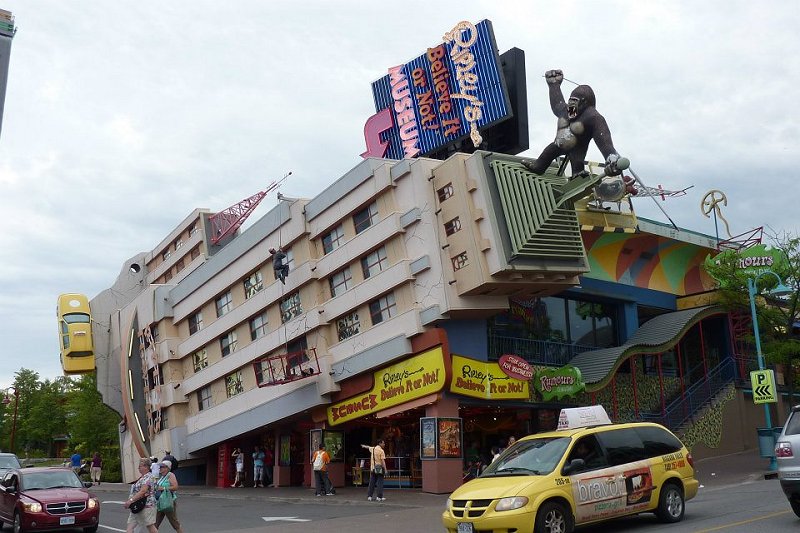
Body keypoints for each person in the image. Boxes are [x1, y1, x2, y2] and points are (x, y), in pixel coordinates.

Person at [124, 457, 158, 533]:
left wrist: (130, 500)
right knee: (130, 527)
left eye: (140, 466)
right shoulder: (142, 477)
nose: (138, 468)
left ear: (146, 467)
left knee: (150, 527)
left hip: (146, 505)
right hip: (137, 505)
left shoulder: (149, 477)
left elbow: (143, 491)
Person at [154, 460, 184, 533]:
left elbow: (175, 487)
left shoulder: (170, 475)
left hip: (168, 501)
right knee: (155, 523)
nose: (160, 468)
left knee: (174, 522)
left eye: (162, 467)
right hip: (160, 502)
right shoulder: (161, 477)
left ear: (167, 468)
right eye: (160, 467)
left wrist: (164, 488)